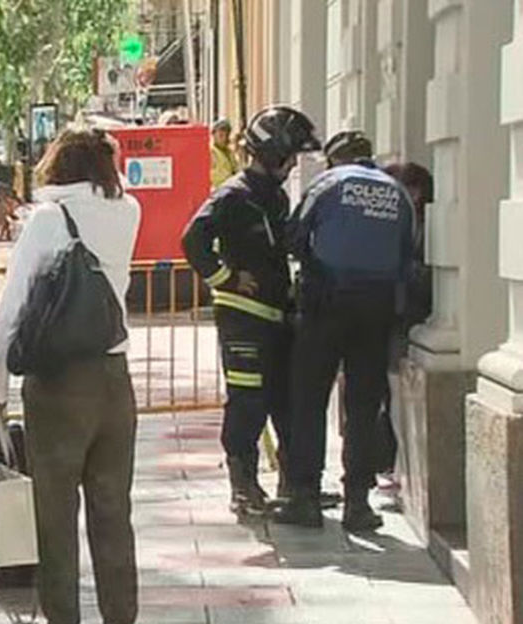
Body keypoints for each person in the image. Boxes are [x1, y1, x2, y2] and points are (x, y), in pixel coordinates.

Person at [0, 127, 143, 624]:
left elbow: (15, 303)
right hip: (114, 377)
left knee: (56, 509)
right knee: (113, 509)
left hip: (57, 382)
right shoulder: (129, 212)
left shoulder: (48, 220)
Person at [273, 131, 417, 532]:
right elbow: (408, 253)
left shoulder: (329, 184)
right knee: (364, 405)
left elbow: (294, 236)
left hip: (326, 305)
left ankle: (304, 495)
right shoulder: (398, 193)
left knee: (309, 399)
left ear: (336, 160)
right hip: (377, 309)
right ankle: (357, 502)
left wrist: (314, 270)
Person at [182, 105, 322, 516]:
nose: (293, 163)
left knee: (285, 399)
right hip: (243, 316)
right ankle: (243, 485)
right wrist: (224, 277)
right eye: (289, 155)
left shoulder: (275, 197)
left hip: (277, 315)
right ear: (271, 151)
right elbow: (192, 240)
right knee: (248, 400)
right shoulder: (232, 196)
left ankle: (293, 486)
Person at [376, 162, 433, 485]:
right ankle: (397, 469)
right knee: (393, 398)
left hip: (407, 320)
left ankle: (402, 474)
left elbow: (423, 275)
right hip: (396, 319)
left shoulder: (422, 226)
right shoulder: (402, 224)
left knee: (398, 398)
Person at [210, 119, 239, 188]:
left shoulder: (229, 152)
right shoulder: (210, 152)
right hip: (218, 190)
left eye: (226, 134)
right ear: (214, 134)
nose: (224, 137)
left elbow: (236, 170)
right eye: (221, 134)